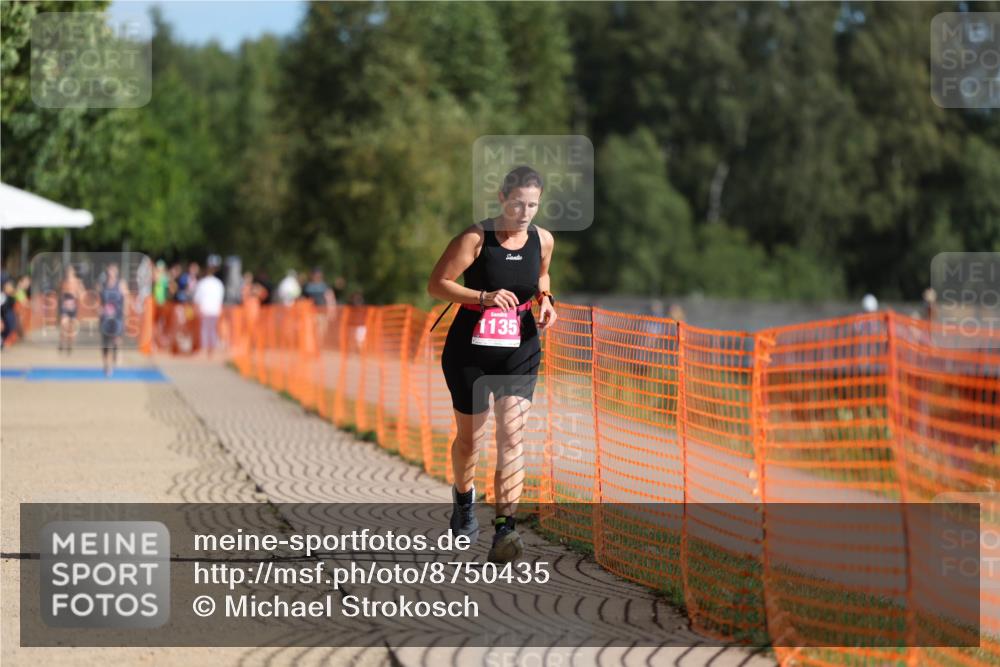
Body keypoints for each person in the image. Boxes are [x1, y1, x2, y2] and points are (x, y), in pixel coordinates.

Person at [427, 165, 557, 563]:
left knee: (513, 436)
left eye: (532, 205)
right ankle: (464, 501)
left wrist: (546, 300)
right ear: (502, 198)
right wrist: (483, 297)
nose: (524, 212)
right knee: (471, 441)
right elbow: (437, 284)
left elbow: (542, 276)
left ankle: (505, 529)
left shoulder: (543, 239)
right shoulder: (475, 238)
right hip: (470, 350)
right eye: (517, 203)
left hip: (520, 346)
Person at [99, 263, 129, 377]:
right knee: (105, 343)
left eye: (113, 270)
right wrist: (99, 308)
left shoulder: (121, 284)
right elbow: (99, 300)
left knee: (116, 339)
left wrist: (125, 310)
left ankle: (116, 354)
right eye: (109, 270)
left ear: (116, 272)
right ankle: (106, 365)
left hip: (117, 316)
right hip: (105, 317)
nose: (111, 273)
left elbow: (126, 297)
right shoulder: (103, 284)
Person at [193, 262, 226, 358]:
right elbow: (221, 297)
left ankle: (205, 349)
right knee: (212, 329)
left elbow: (197, 297)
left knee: (205, 329)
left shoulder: (203, 283)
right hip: (214, 309)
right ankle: (211, 349)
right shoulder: (218, 283)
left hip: (205, 309)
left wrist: (197, 308)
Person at [59, 266, 84, 353]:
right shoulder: (63, 282)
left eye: (70, 272)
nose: (68, 273)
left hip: (73, 306)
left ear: (73, 273)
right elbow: (60, 294)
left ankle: (70, 345)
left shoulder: (77, 282)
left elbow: (82, 294)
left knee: (71, 327)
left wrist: (77, 293)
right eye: (67, 272)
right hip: (65, 306)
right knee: (63, 324)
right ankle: (61, 343)